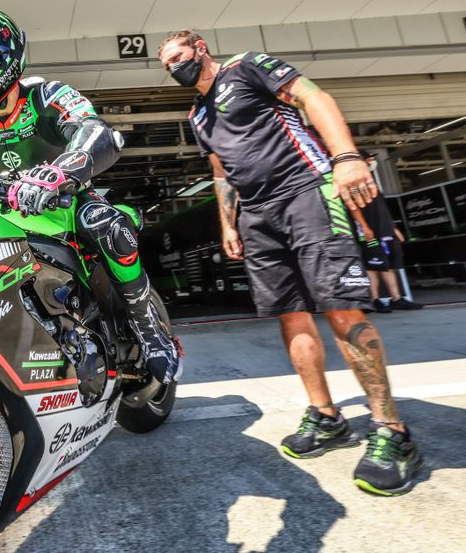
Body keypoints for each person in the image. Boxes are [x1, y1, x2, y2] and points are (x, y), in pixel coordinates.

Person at [158, 30, 423, 496]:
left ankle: (391, 431)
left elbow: (313, 96)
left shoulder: (247, 66)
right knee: (290, 314)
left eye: (178, 57)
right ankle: (326, 416)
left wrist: (346, 157)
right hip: (258, 214)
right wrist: (229, 224)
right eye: (166, 66)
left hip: (307, 192)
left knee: (341, 307)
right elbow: (220, 172)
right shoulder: (197, 115)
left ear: (200, 48)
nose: (173, 69)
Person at [0, 8, 181, 384]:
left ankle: (147, 327)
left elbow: (95, 131)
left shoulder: (46, 95)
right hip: (1, 217)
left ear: (5, 54)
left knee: (106, 225)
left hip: (63, 206)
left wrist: (60, 172)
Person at [352, 153, 424, 313]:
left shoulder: (371, 181)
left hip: (385, 231)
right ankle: (374, 300)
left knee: (390, 266)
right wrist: (364, 227)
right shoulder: (354, 182)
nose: (372, 162)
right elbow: (353, 207)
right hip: (369, 232)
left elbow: (383, 208)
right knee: (373, 267)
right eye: (368, 159)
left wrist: (394, 228)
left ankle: (396, 299)